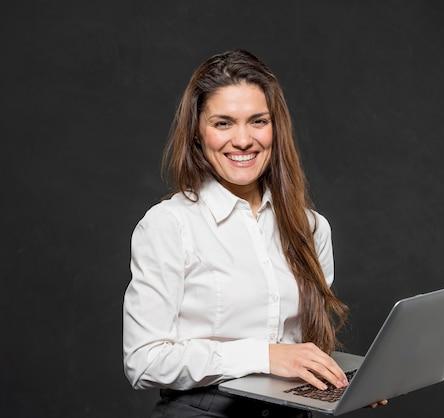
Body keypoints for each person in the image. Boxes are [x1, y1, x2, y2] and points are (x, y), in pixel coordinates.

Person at [122, 49, 388, 417]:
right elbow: (144, 361)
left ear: (276, 128)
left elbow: (299, 351)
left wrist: (344, 380)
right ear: (198, 134)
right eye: (223, 123)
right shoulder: (169, 225)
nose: (244, 140)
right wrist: (263, 355)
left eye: (258, 121)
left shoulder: (311, 227)